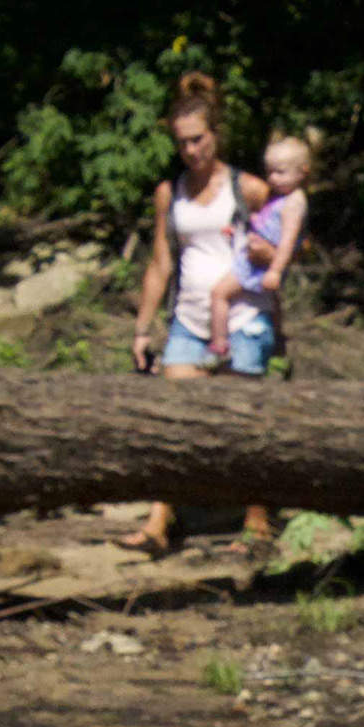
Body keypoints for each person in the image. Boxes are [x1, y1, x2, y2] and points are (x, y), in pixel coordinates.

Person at [119, 72, 275, 556]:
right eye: (182, 142)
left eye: (198, 139)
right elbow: (160, 262)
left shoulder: (247, 188)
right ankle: (158, 523)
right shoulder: (171, 193)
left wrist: (268, 255)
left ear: (215, 136)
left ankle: (258, 521)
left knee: (244, 426)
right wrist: (143, 330)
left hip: (243, 320)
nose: (191, 150)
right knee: (170, 422)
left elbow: (291, 244)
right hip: (187, 320)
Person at [206, 129, 313, 362]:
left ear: (302, 172)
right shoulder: (280, 197)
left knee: (218, 294)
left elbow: (287, 242)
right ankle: (273, 345)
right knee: (264, 304)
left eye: (280, 172)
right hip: (254, 258)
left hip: (259, 265)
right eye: (269, 172)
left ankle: (219, 345)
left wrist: (275, 270)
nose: (273, 178)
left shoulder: (295, 202)